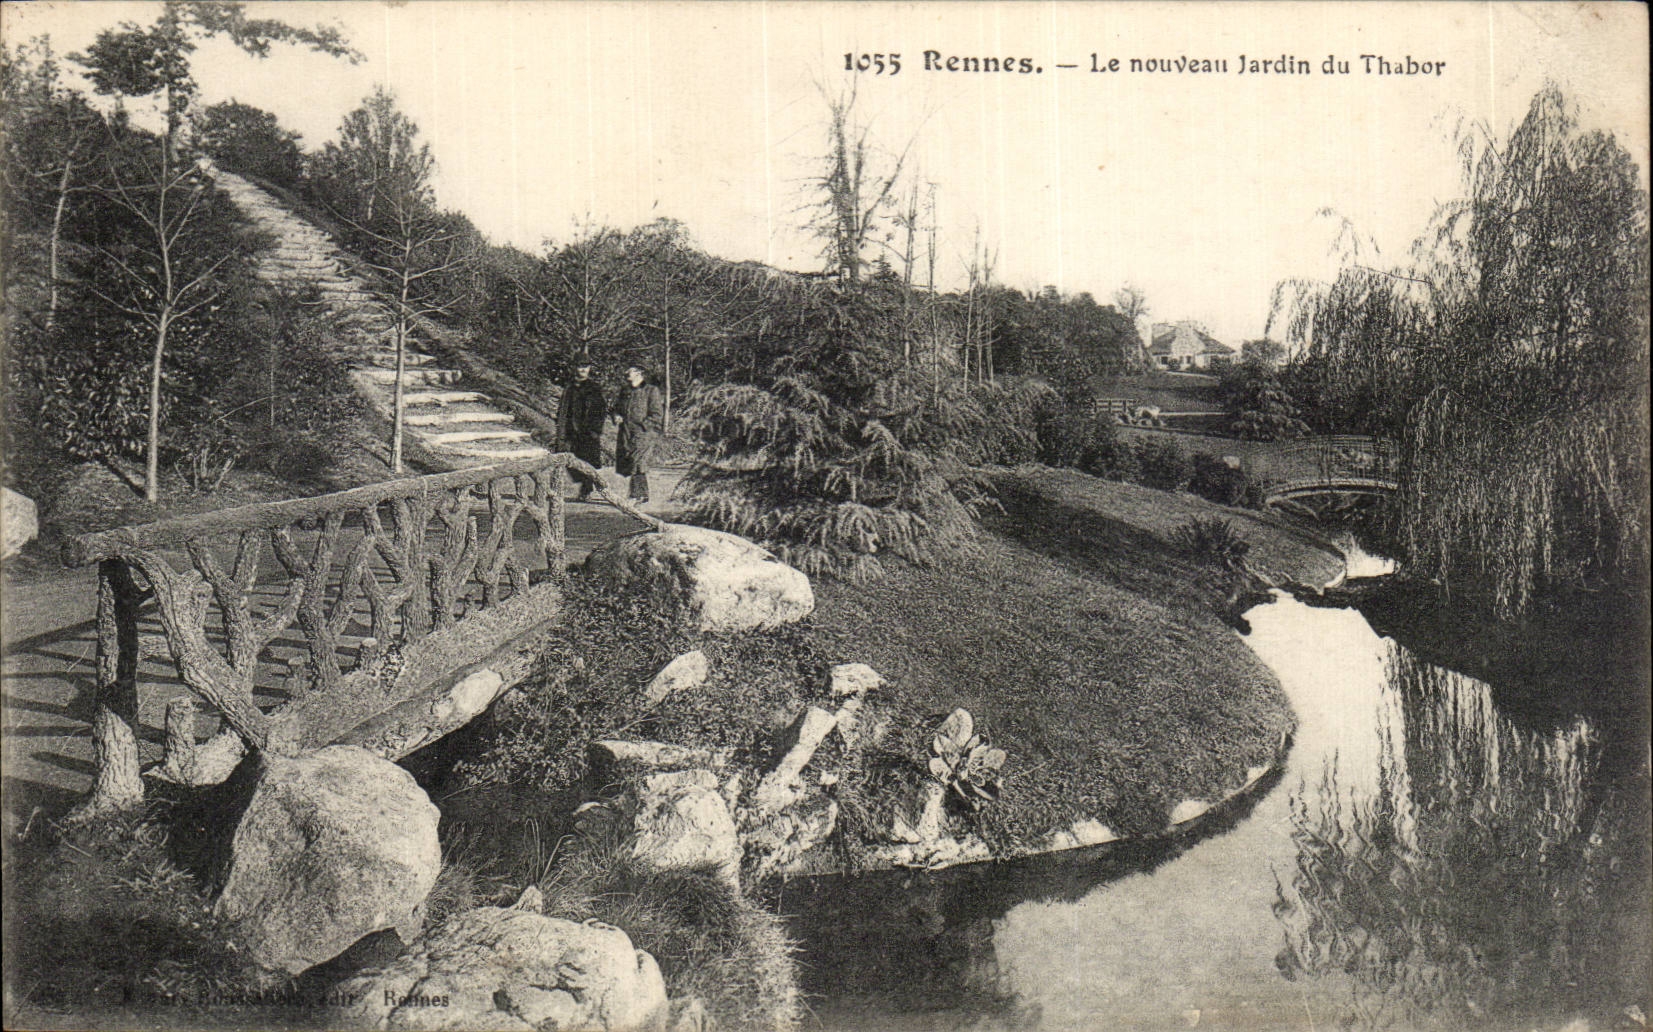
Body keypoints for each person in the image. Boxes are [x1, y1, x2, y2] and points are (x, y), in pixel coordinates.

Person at [556, 358, 607, 500]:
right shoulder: (569, 388)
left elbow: (601, 410)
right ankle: (585, 485)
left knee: (588, 461)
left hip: (588, 431)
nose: (583, 370)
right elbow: (563, 409)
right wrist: (561, 429)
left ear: (590, 369)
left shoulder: (594, 388)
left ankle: (587, 490)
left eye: (586, 367)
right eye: (580, 366)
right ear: (575, 368)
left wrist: (595, 430)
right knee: (570, 461)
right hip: (571, 430)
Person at [614, 365, 664, 503]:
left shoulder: (651, 390)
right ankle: (642, 494)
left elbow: (657, 414)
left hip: (643, 434)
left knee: (638, 462)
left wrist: (644, 427)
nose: (626, 373)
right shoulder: (625, 391)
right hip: (626, 432)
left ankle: (636, 495)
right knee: (631, 462)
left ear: (639, 373)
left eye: (629, 370)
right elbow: (616, 408)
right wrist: (617, 416)